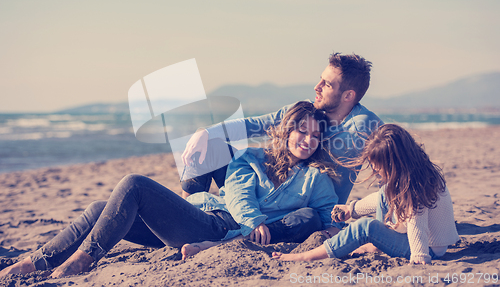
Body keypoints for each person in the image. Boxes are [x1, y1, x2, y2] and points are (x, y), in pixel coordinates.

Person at [0, 102, 341, 279]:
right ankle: (36, 262)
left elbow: (326, 215)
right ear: (286, 130)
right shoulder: (251, 157)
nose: (307, 141)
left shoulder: (316, 178)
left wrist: (329, 228)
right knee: (97, 209)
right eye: (301, 132)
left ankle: (83, 260)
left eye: (314, 136)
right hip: (203, 218)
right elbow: (237, 193)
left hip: (218, 228)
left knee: (134, 184)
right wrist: (255, 222)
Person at [181, 51, 383, 204]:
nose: (317, 86)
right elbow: (256, 125)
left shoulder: (365, 125)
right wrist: (207, 132)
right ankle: (185, 214)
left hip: (305, 210)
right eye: (320, 79)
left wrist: (389, 222)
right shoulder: (305, 111)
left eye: (327, 84)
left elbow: (393, 172)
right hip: (266, 190)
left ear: (348, 96)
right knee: (211, 146)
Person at [272, 124, 460, 264]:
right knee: (385, 192)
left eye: (378, 165)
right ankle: (376, 245)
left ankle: (305, 257)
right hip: (426, 241)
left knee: (365, 227)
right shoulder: (416, 172)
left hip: (427, 248)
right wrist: (351, 209)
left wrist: (419, 257)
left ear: (395, 161)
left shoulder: (413, 187)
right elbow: (381, 198)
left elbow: (416, 224)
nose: (375, 169)